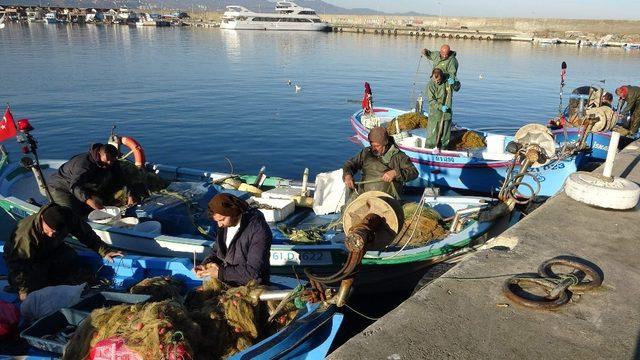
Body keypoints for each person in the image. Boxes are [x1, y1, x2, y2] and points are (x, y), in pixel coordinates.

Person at [3, 204, 123, 301]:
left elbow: (85, 234)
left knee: (71, 258)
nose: (50, 235)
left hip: (50, 249)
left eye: (55, 233)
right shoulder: (25, 237)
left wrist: (105, 251)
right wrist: (24, 290)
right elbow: (18, 266)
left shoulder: (67, 217)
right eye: (47, 231)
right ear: (41, 219)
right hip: (23, 259)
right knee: (36, 282)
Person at [194, 193, 272, 286]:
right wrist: (207, 264)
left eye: (222, 220)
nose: (219, 225)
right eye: (217, 221)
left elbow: (253, 272)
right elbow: (216, 251)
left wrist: (220, 273)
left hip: (251, 287)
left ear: (233, 213)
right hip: (227, 283)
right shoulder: (224, 226)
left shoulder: (258, 230)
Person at [48, 143, 136, 216]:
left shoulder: (112, 162)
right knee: (71, 214)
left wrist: (130, 195)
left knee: (99, 203)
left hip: (83, 184)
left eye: (112, 160)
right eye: (107, 160)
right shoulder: (84, 165)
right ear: (99, 154)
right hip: (61, 187)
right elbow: (75, 186)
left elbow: (121, 177)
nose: (109, 163)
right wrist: (89, 201)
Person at [342, 126, 419, 199]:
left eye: (377, 146)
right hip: (365, 195)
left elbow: (414, 172)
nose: (374, 149)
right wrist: (347, 175)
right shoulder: (366, 152)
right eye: (372, 145)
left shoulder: (398, 156)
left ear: (385, 143)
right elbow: (350, 164)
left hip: (388, 198)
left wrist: (395, 173)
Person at [425, 68, 453, 149]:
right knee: (433, 135)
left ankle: (444, 148)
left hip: (447, 111)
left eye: (439, 80)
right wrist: (440, 107)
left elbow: (457, 87)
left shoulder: (447, 81)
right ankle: (430, 148)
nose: (437, 82)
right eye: (435, 80)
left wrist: (455, 83)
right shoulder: (430, 85)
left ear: (442, 77)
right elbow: (431, 101)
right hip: (435, 113)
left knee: (445, 134)